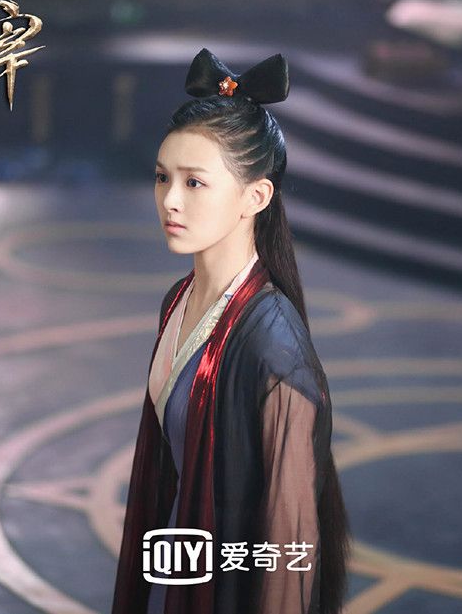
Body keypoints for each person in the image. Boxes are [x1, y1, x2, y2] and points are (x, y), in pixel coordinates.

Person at [111, 48, 350, 614]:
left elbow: (290, 548)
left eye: (195, 183)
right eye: (163, 178)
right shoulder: (179, 300)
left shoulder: (273, 346)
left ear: (256, 196)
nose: (169, 200)